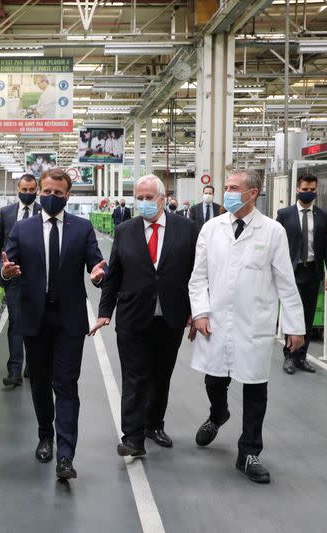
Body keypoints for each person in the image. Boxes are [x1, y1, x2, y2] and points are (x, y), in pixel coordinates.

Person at [188, 169, 305, 484]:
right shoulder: (211, 229)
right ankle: (218, 414)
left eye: (233, 188)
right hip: (215, 322)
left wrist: (295, 326)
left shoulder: (272, 232)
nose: (226, 192)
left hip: (254, 324)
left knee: (255, 388)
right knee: (215, 381)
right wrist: (199, 312)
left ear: (252, 193)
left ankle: (249, 452)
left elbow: (285, 282)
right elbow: (197, 277)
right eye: (225, 187)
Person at [0, 168, 108, 480]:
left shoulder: (82, 228)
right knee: (41, 383)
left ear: (67, 195)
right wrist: (5, 273)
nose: (50, 197)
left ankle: (65, 455)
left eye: (57, 193)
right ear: (39, 191)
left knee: (67, 385)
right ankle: (45, 435)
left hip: (70, 321)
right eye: (46, 192)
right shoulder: (23, 229)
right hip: (34, 318)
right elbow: (4, 265)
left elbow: (97, 263)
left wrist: (100, 275)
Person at [91, 175, 197, 457]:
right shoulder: (125, 230)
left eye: (150, 197)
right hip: (133, 316)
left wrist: (196, 312)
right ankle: (133, 437)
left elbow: (196, 275)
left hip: (171, 316)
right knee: (134, 376)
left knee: (162, 375)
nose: (144, 202)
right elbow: (114, 275)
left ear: (163, 199)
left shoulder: (186, 229)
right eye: (140, 197)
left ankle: (154, 424)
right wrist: (104, 311)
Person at [276, 173, 327, 375]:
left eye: (312, 190)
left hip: (312, 271)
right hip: (290, 272)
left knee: (308, 316)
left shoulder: (323, 216)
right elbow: (276, 244)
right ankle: (289, 357)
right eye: (305, 190)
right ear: (297, 189)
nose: (309, 193)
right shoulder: (284, 215)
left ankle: (301, 356)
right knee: (291, 314)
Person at [0, 174, 42, 387]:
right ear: (17, 189)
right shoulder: (6, 213)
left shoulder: (43, 212)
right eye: (24, 189)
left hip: (38, 278)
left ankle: (32, 366)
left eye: (31, 190)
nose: (27, 193)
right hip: (13, 277)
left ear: (37, 190)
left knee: (36, 322)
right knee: (16, 322)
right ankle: (15, 370)